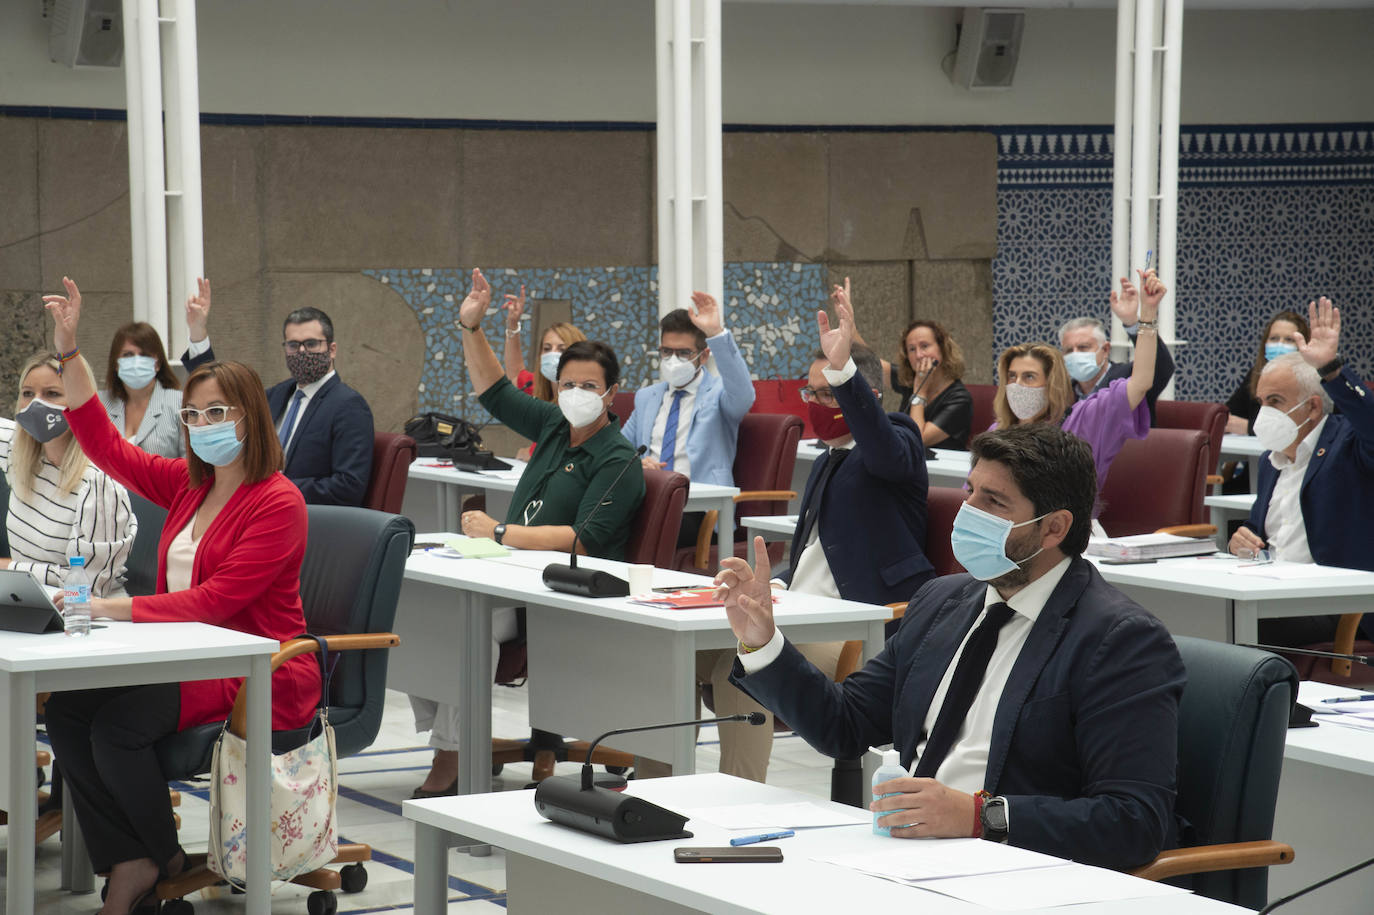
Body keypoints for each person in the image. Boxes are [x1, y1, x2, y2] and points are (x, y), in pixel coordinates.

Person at [716, 422, 1186, 870]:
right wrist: (763, 642)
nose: (969, 512)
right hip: (904, 855)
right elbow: (845, 724)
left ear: (1054, 528)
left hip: (1013, 870)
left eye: (994, 502)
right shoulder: (943, 600)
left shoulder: (1119, 639)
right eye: (970, 493)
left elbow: (1133, 821)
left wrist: (978, 816)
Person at [40, 276, 321, 915]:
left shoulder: (279, 501)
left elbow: (219, 601)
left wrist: (114, 607)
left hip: (256, 667)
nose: (200, 425)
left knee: (116, 726)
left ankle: (159, 862)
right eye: (193, 414)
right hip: (187, 654)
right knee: (65, 714)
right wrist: (69, 351)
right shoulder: (191, 486)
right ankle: (136, 857)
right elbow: (106, 446)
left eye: (217, 412)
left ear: (252, 416)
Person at [408, 267, 646, 797]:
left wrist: (500, 533)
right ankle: (449, 740)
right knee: (419, 612)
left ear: (611, 395)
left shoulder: (618, 458)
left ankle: (453, 758)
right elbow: (493, 391)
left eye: (590, 386)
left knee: (465, 630)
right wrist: (472, 327)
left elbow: (582, 539)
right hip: (508, 575)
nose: (577, 393)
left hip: (559, 590)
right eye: (568, 384)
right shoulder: (555, 426)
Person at [691, 289, 934, 783]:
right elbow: (812, 557)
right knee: (685, 655)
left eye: (828, 393)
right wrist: (774, 586)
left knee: (741, 667)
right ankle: (656, 786)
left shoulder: (897, 438)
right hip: (804, 608)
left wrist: (845, 375)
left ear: (862, 395)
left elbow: (882, 447)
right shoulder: (827, 459)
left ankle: (741, 795)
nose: (817, 403)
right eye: (812, 393)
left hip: (860, 622)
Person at [1228, 297, 1374, 644]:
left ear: (1311, 407)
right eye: (1261, 403)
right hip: (1270, 592)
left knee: (1227, 624)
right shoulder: (1270, 461)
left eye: (1275, 402)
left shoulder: (1350, 445)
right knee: (1205, 613)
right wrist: (1242, 539)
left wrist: (1333, 371)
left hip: (1335, 608)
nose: (1264, 413)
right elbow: (1261, 529)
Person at [181, 281, 374, 505]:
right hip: (248, 507)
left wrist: (273, 488)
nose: (301, 352)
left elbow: (348, 486)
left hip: (303, 517)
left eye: (311, 344)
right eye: (293, 345)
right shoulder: (276, 395)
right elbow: (216, 392)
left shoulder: (348, 405)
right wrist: (197, 333)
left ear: (332, 350)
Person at [992, 268, 1165, 509]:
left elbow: (1142, 380)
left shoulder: (1083, 419)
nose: (1018, 385)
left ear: (1050, 382)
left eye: (1029, 377)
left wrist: (1146, 314)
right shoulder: (999, 430)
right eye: (1012, 377)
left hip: (1067, 530)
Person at [621, 296, 754, 544]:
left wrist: (716, 333)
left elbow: (744, 393)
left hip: (700, 509)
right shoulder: (647, 397)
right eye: (666, 351)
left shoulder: (720, 396)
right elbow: (617, 451)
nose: (673, 360)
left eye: (683, 353)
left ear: (704, 356)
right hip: (647, 498)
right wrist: (638, 464)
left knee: (645, 529)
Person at [1, 351, 135, 597]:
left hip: (87, 617)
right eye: (28, 394)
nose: (36, 404)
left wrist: (10, 568)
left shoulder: (97, 482)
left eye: (52, 394)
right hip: (28, 601)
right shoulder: (18, 453)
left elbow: (88, 584)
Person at [1058, 276, 1175, 426]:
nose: (1075, 354)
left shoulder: (1128, 378)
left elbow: (1160, 366)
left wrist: (1132, 322)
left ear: (1105, 349)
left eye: (1083, 348)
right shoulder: (1062, 393)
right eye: (1068, 350)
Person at [499, 283, 587, 461]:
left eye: (561, 349)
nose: (553, 354)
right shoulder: (538, 388)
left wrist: (529, 453)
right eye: (547, 348)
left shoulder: (585, 401)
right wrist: (512, 324)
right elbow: (515, 374)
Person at [100, 316, 186, 458]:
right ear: (116, 363)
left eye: (144, 355)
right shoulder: (100, 404)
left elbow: (190, 467)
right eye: (128, 354)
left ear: (157, 364)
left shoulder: (179, 403)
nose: (136, 361)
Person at [889, 317, 974, 450]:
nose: (918, 355)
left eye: (924, 346)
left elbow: (919, 438)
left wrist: (920, 390)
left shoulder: (960, 399)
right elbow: (868, 362)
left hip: (942, 469)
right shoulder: (910, 381)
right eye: (911, 349)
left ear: (942, 348)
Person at [1225, 309, 1311, 436]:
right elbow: (1229, 414)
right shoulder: (1256, 374)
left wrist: (1249, 428)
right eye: (1274, 338)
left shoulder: (1312, 379)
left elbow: (1300, 427)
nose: (1280, 344)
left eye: (1289, 339)